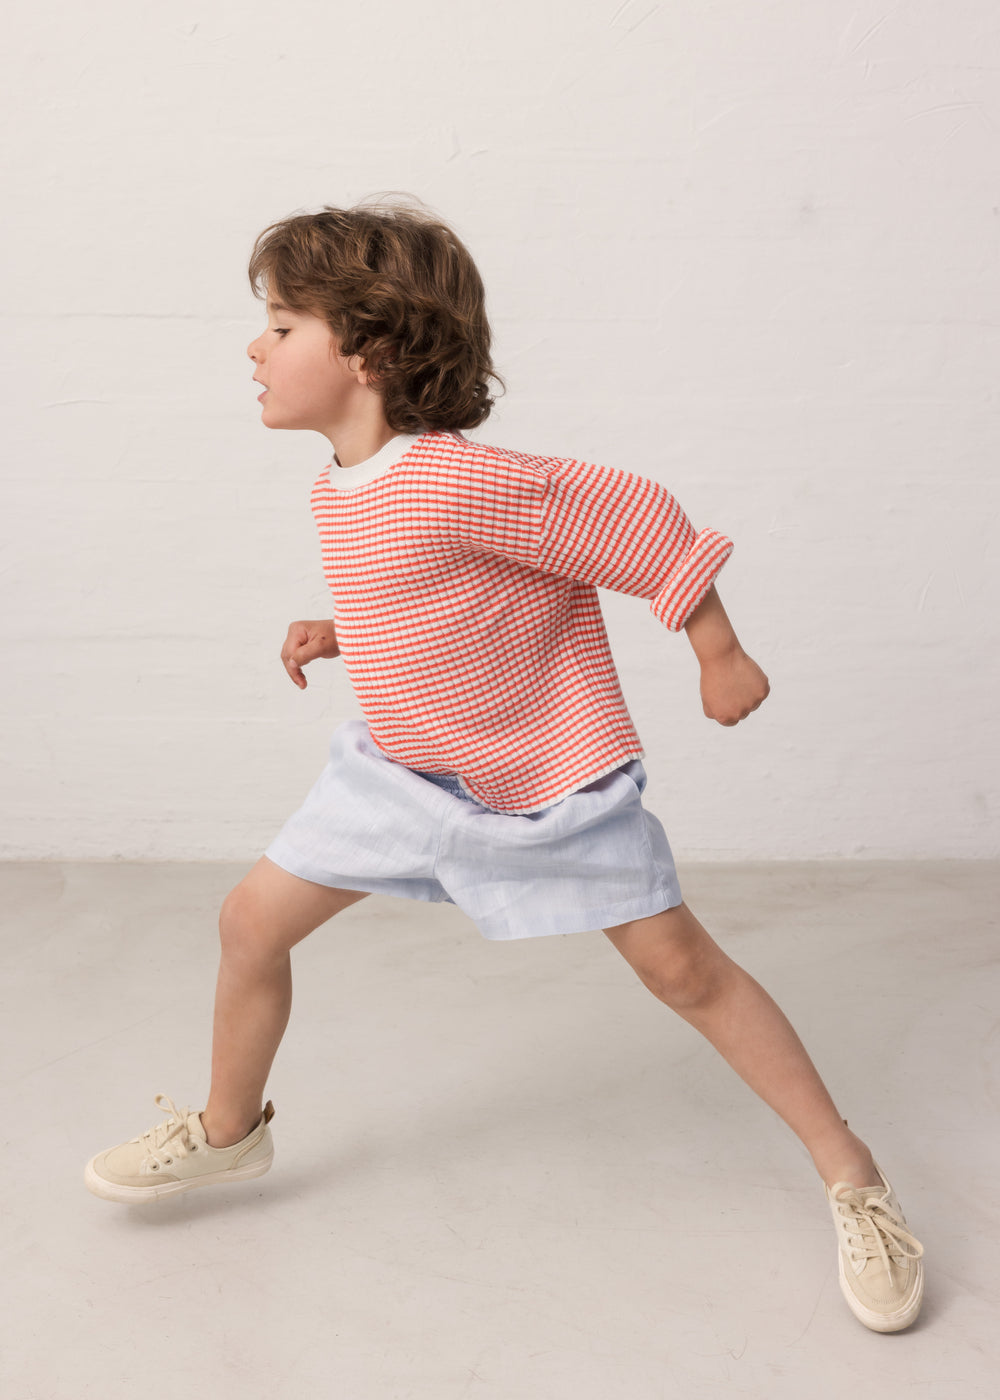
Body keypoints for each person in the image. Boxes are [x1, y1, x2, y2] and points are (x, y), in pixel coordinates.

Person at [84, 199, 924, 1333]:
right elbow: (426, 579)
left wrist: (716, 650)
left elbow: (629, 517)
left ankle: (851, 1170)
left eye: (281, 325)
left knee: (685, 972)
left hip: (544, 781)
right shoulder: (347, 481)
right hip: (404, 775)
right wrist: (346, 630)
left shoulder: (453, 476)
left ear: (367, 349)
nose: (255, 346)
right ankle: (230, 1133)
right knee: (250, 921)